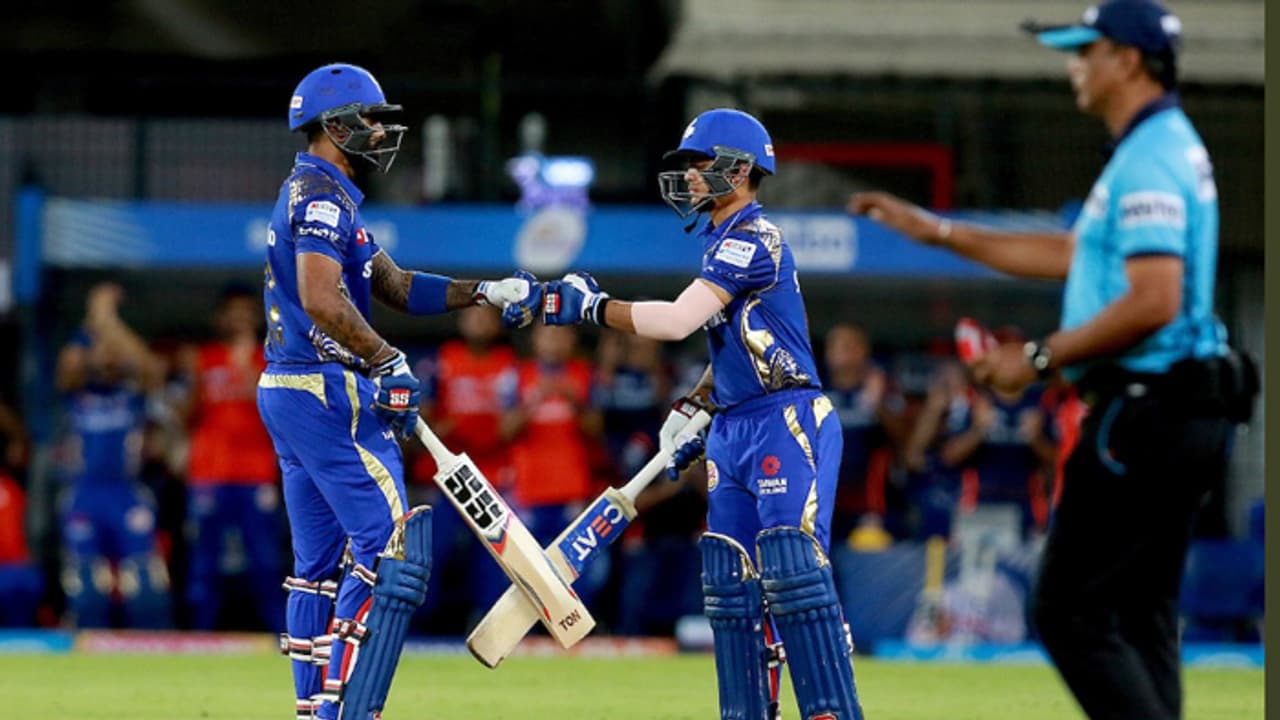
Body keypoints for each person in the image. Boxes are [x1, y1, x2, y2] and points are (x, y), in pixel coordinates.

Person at [850, 3, 1254, 716]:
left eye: (1086, 51)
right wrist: (939, 232)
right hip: (1180, 407)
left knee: (1070, 611)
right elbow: (1073, 253)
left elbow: (1154, 300)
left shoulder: (1151, 157)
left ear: (1128, 60)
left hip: (1146, 411)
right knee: (1139, 616)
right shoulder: (1155, 145)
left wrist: (1036, 359)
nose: (1075, 66)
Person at [543, 108, 863, 720]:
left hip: (786, 419)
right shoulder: (720, 241)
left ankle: (830, 705)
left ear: (740, 170)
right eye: (687, 165)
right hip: (736, 424)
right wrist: (696, 402)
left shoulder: (753, 237)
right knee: (730, 583)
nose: (689, 175)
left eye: (700, 163)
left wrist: (592, 307)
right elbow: (738, 347)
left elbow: (675, 322)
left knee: (793, 573)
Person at [256, 63, 540, 720]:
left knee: (315, 566)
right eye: (370, 121)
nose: (382, 134)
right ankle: (348, 708)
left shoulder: (320, 193)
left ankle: (315, 710)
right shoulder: (322, 198)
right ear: (335, 126)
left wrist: (485, 291)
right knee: (391, 551)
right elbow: (320, 298)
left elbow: (398, 286)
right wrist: (385, 359)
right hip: (328, 389)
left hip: (288, 387)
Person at [54, 282, 172, 629]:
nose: (106, 354)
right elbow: (69, 366)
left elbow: (151, 369)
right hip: (84, 492)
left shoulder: (132, 392)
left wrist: (110, 321)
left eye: (113, 348)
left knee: (145, 583)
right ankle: (87, 648)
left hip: (125, 492)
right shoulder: (77, 392)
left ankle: (149, 647)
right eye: (99, 346)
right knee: (87, 585)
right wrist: (95, 319)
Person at [180, 283, 284, 632]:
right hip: (209, 473)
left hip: (255, 474)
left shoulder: (272, 358)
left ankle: (281, 636)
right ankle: (200, 635)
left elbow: (279, 414)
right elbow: (188, 416)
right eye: (232, 314)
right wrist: (192, 380)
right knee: (204, 561)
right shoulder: (204, 358)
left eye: (245, 314)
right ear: (220, 319)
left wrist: (247, 366)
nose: (239, 320)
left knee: (265, 560)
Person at [409, 304, 516, 629]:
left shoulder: (510, 364)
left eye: (487, 317)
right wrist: (452, 427)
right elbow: (422, 419)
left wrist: (477, 429)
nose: (480, 322)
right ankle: (418, 625)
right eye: (474, 316)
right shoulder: (441, 360)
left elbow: (512, 424)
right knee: (429, 552)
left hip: (490, 476)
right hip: (444, 475)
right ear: (461, 321)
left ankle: (487, 625)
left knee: (493, 556)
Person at [498, 323, 608, 606]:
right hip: (528, 491)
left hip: (573, 489)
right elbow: (505, 431)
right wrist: (533, 401)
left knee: (576, 571)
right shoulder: (517, 375)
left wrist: (575, 401)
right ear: (535, 339)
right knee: (525, 573)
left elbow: (597, 429)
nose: (555, 341)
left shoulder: (586, 374)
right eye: (548, 334)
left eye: (562, 334)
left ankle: (578, 628)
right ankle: (530, 630)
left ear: (572, 339)